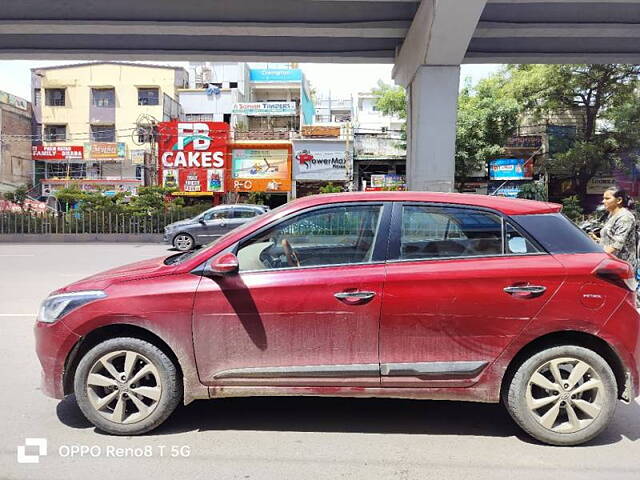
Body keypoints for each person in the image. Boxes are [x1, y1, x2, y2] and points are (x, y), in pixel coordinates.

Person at [595, 187, 637, 272]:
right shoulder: (611, 215)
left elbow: (617, 244)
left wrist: (597, 257)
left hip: (622, 267)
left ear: (619, 200)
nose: (603, 201)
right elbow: (610, 238)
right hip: (609, 263)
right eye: (603, 198)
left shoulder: (625, 217)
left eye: (607, 198)